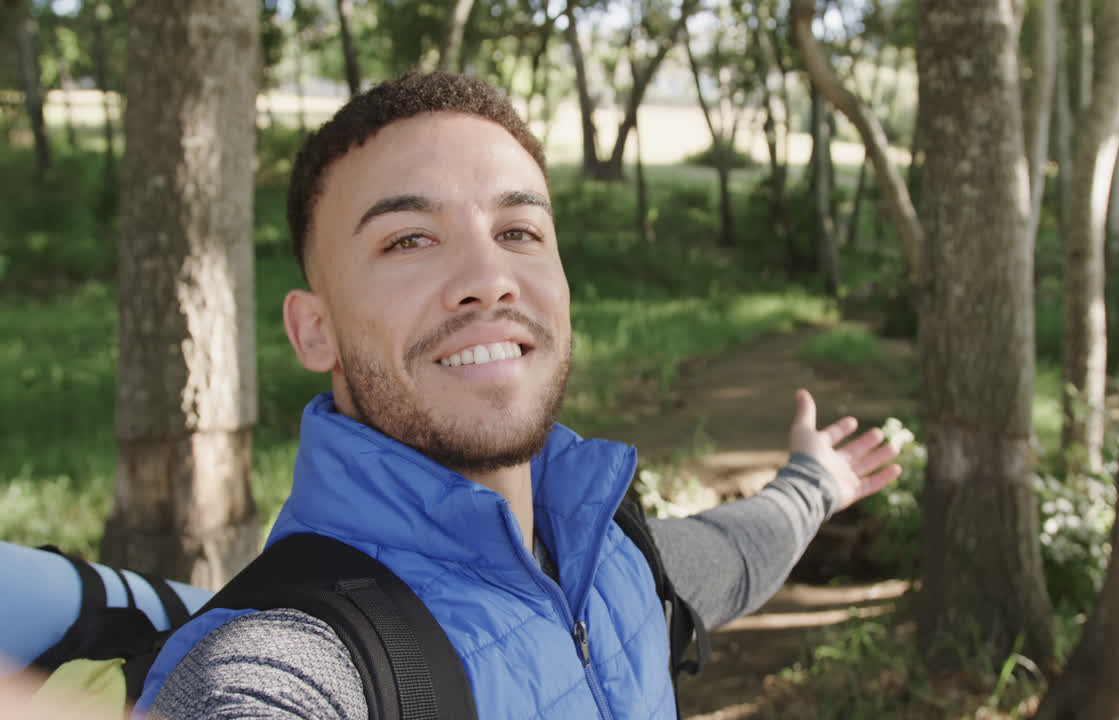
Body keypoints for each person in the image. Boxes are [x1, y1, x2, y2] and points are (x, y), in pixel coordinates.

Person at [138, 71, 901, 719]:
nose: (487, 279)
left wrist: (816, 483)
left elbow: (730, 554)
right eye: (408, 239)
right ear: (315, 331)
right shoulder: (296, 656)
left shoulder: (611, 556)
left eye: (519, 231)